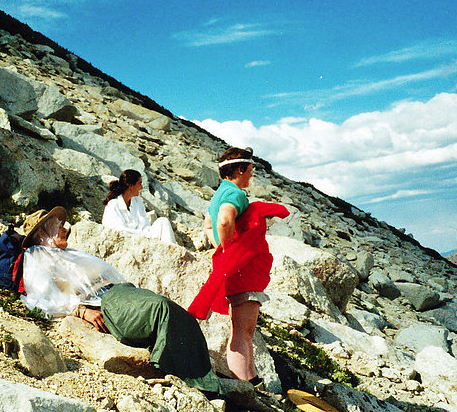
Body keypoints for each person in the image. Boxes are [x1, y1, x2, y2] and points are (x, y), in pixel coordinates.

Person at [19, 207, 220, 393]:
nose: (65, 229)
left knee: (179, 314)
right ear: (42, 234)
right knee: (162, 309)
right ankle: (198, 383)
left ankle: (202, 380)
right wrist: (80, 311)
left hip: (120, 292)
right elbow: (41, 299)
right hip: (107, 302)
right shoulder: (38, 258)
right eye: (57, 226)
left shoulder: (66, 253)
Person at [190, 147, 289, 383]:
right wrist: (229, 248)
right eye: (251, 170)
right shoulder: (234, 194)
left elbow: (208, 223)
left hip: (237, 271)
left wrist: (220, 246)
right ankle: (245, 384)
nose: (252, 175)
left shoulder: (219, 193)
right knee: (243, 333)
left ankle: (250, 379)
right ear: (241, 169)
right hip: (244, 271)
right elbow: (225, 218)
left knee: (242, 332)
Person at [102, 169, 177, 244]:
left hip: (141, 238)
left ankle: (172, 251)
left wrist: (147, 234)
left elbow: (145, 225)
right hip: (125, 241)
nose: (141, 187)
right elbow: (120, 231)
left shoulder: (137, 201)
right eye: (140, 183)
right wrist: (143, 235)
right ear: (131, 186)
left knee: (163, 221)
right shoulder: (113, 205)